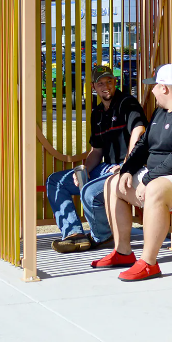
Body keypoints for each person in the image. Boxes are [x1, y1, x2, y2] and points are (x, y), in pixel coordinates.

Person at [93, 63, 172, 281]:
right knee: (113, 183)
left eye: (154, 86)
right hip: (164, 179)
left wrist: (149, 178)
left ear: (164, 88)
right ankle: (123, 252)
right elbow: (143, 145)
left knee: (155, 189)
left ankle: (148, 263)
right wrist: (127, 170)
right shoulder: (161, 111)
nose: (151, 90)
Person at [45, 68, 146, 253]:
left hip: (127, 168)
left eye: (108, 81)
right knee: (56, 181)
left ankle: (102, 235)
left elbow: (139, 131)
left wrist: (126, 166)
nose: (105, 87)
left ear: (115, 82)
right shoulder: (97, 113)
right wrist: (83, 169)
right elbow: (97, 151)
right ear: (93, 87)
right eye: (100, 83)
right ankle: (74, 234)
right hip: (106, 167)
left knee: (89, 193)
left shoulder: (127, 103)